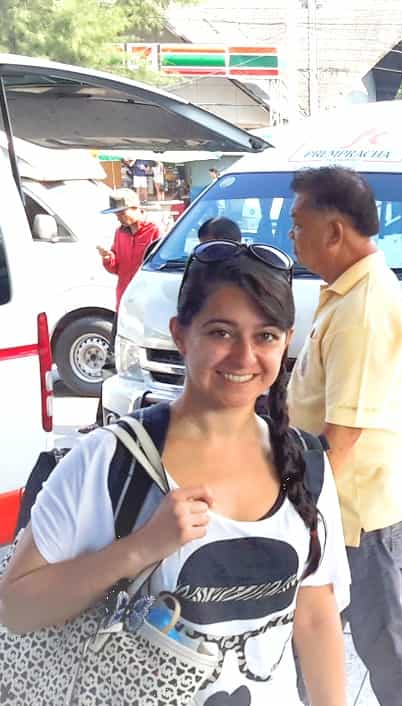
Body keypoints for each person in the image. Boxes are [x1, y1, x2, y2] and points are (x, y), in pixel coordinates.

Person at [0, 239, 351, 706]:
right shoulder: (109, 461)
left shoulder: (304, 462)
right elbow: (16, 608)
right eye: (221, 332)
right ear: (181, 335)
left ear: (287, 341)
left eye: (265, 335)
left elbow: (313, 614)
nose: (244, 356)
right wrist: (140, 549)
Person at [286, 166, 402, 706]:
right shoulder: (346, 294)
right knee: (315, 640)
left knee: (391, 646)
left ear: (335, 231)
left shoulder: (364, 308)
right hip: (343, 505)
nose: (290, 235)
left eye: (298, 223)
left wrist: (298, 513)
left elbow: (341, 439)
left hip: (361, 512)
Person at [98, 188, 161, 311]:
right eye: (116, 215)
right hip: (125, 299)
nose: (118, 218)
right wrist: (107, 257)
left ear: (136, 208)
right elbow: (115, 268)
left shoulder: (155, 230)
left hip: (147, 301)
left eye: (122, 214)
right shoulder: (119, 233)